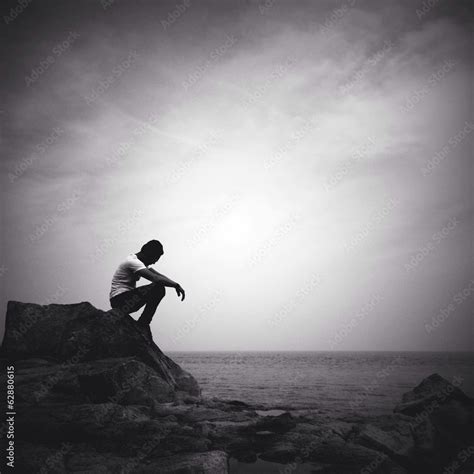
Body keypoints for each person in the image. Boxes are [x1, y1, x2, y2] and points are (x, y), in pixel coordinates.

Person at [109, 240, 185, 330]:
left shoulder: (138, 262)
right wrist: (175, 285)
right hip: (120, 300)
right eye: (154, 259)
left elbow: (159, 275)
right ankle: (143, 324)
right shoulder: (132, 262)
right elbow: (156, 279)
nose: (154, 262)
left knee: (159, 287)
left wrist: (176, 284)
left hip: (125, 301)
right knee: (158, 288)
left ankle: (143, 324)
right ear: (148, 253)